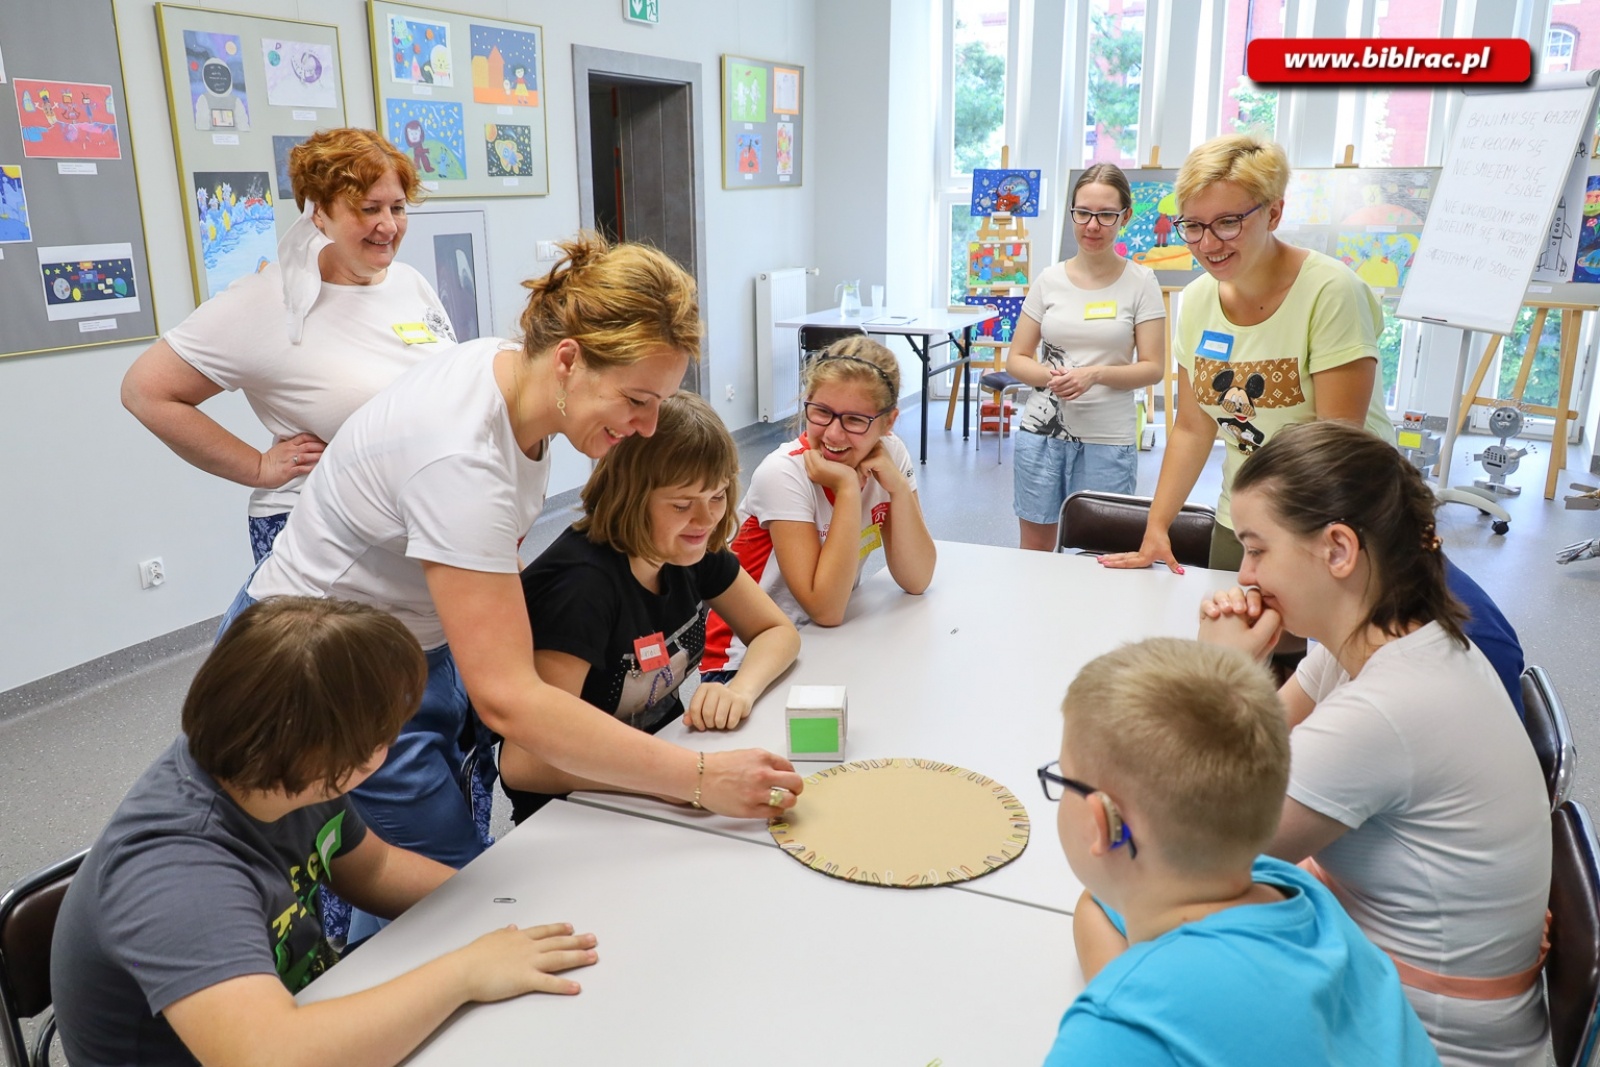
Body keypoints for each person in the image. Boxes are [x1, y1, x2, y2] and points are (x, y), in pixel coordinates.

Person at [226, 235, 804, 939]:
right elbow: (509, 699)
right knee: (454, 909)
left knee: (449, 882)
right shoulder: (459, 456)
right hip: (322, 672)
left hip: (413, 644)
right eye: (638, 399)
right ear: (569, 359)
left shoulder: (506, 375)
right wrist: (698, 776)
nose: (648, 426)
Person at [51, 597, 597, 1067]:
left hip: (304, 1008)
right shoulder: (177, 878)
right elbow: (273, 1055)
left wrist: (501, 905)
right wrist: (465, 973)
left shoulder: (274, 766)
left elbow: (376, 867)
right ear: (324, 753)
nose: (393, 745)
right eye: (385, 734)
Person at [1195, 421, 1551, 1066]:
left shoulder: (1386, 708)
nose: (1244, 574)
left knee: (1126, 939)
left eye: (1256, 549)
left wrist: (1220, 677)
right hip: (1390, 985)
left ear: (1337, 549)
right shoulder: (1387, 636)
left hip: (1427, 1041)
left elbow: (1196, 851)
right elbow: (1262, 746)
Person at [1044, 637, 1439, 1065]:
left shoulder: (1116, 1032)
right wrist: (1126, 995)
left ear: (1103, 822)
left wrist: (1118, 1021)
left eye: (1064, 779)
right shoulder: (1292, 891)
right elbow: (1099, 904)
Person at [121, 127, 456, 563]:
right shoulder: (266, 300)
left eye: (398, 208)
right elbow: (144, 391)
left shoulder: (410, 282)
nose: (388, 225)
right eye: (368, 208)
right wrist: (257, 467)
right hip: (319, 530)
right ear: (320, 214)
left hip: (414, 517)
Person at [1098, 134, 1392, 574]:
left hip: (1338, 520)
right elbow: (1194, 428)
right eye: (1193, 225)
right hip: (1245, 515)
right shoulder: (1197, 300)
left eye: (1228, 222)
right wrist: (1157, 527)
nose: (1208, 244)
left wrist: (1294, 551)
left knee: (1315, 643)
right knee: (1233, 641)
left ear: (1274, 212)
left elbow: (1337, 444)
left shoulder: (1331, 292)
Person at [503, 391, 801, 821]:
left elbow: (777, 632)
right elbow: (525, 764)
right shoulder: (581, 588)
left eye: (718, 497)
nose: (705, 520)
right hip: (581, 810)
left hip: (667, 772)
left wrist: (739, 690)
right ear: (631, 495)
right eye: (682, 505)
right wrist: (682, 777)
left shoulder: (689, 546)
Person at [701, 337, 935, 675]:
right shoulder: (784, 473)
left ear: (889, 422)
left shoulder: (889, 455)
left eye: (855, 420)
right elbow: (825, 609)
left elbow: (917, 578)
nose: (834, 435)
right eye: (822, 412)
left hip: (823, 644)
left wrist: (898, 487)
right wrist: (848, 489)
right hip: (745, 660)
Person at [1006, 163, 1166, 551]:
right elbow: (1016, 358)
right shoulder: (1049, 280)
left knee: (1101, 552)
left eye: (1106, 215)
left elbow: (1153, 367)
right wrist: (1049, 377)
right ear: (1072, 213)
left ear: (1124, 217)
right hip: (1041, 436)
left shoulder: (1141, 282)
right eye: (1084, 213)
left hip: (1108, 440)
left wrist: (1094, 375)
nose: (1093, 225)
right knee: (1036, 550)